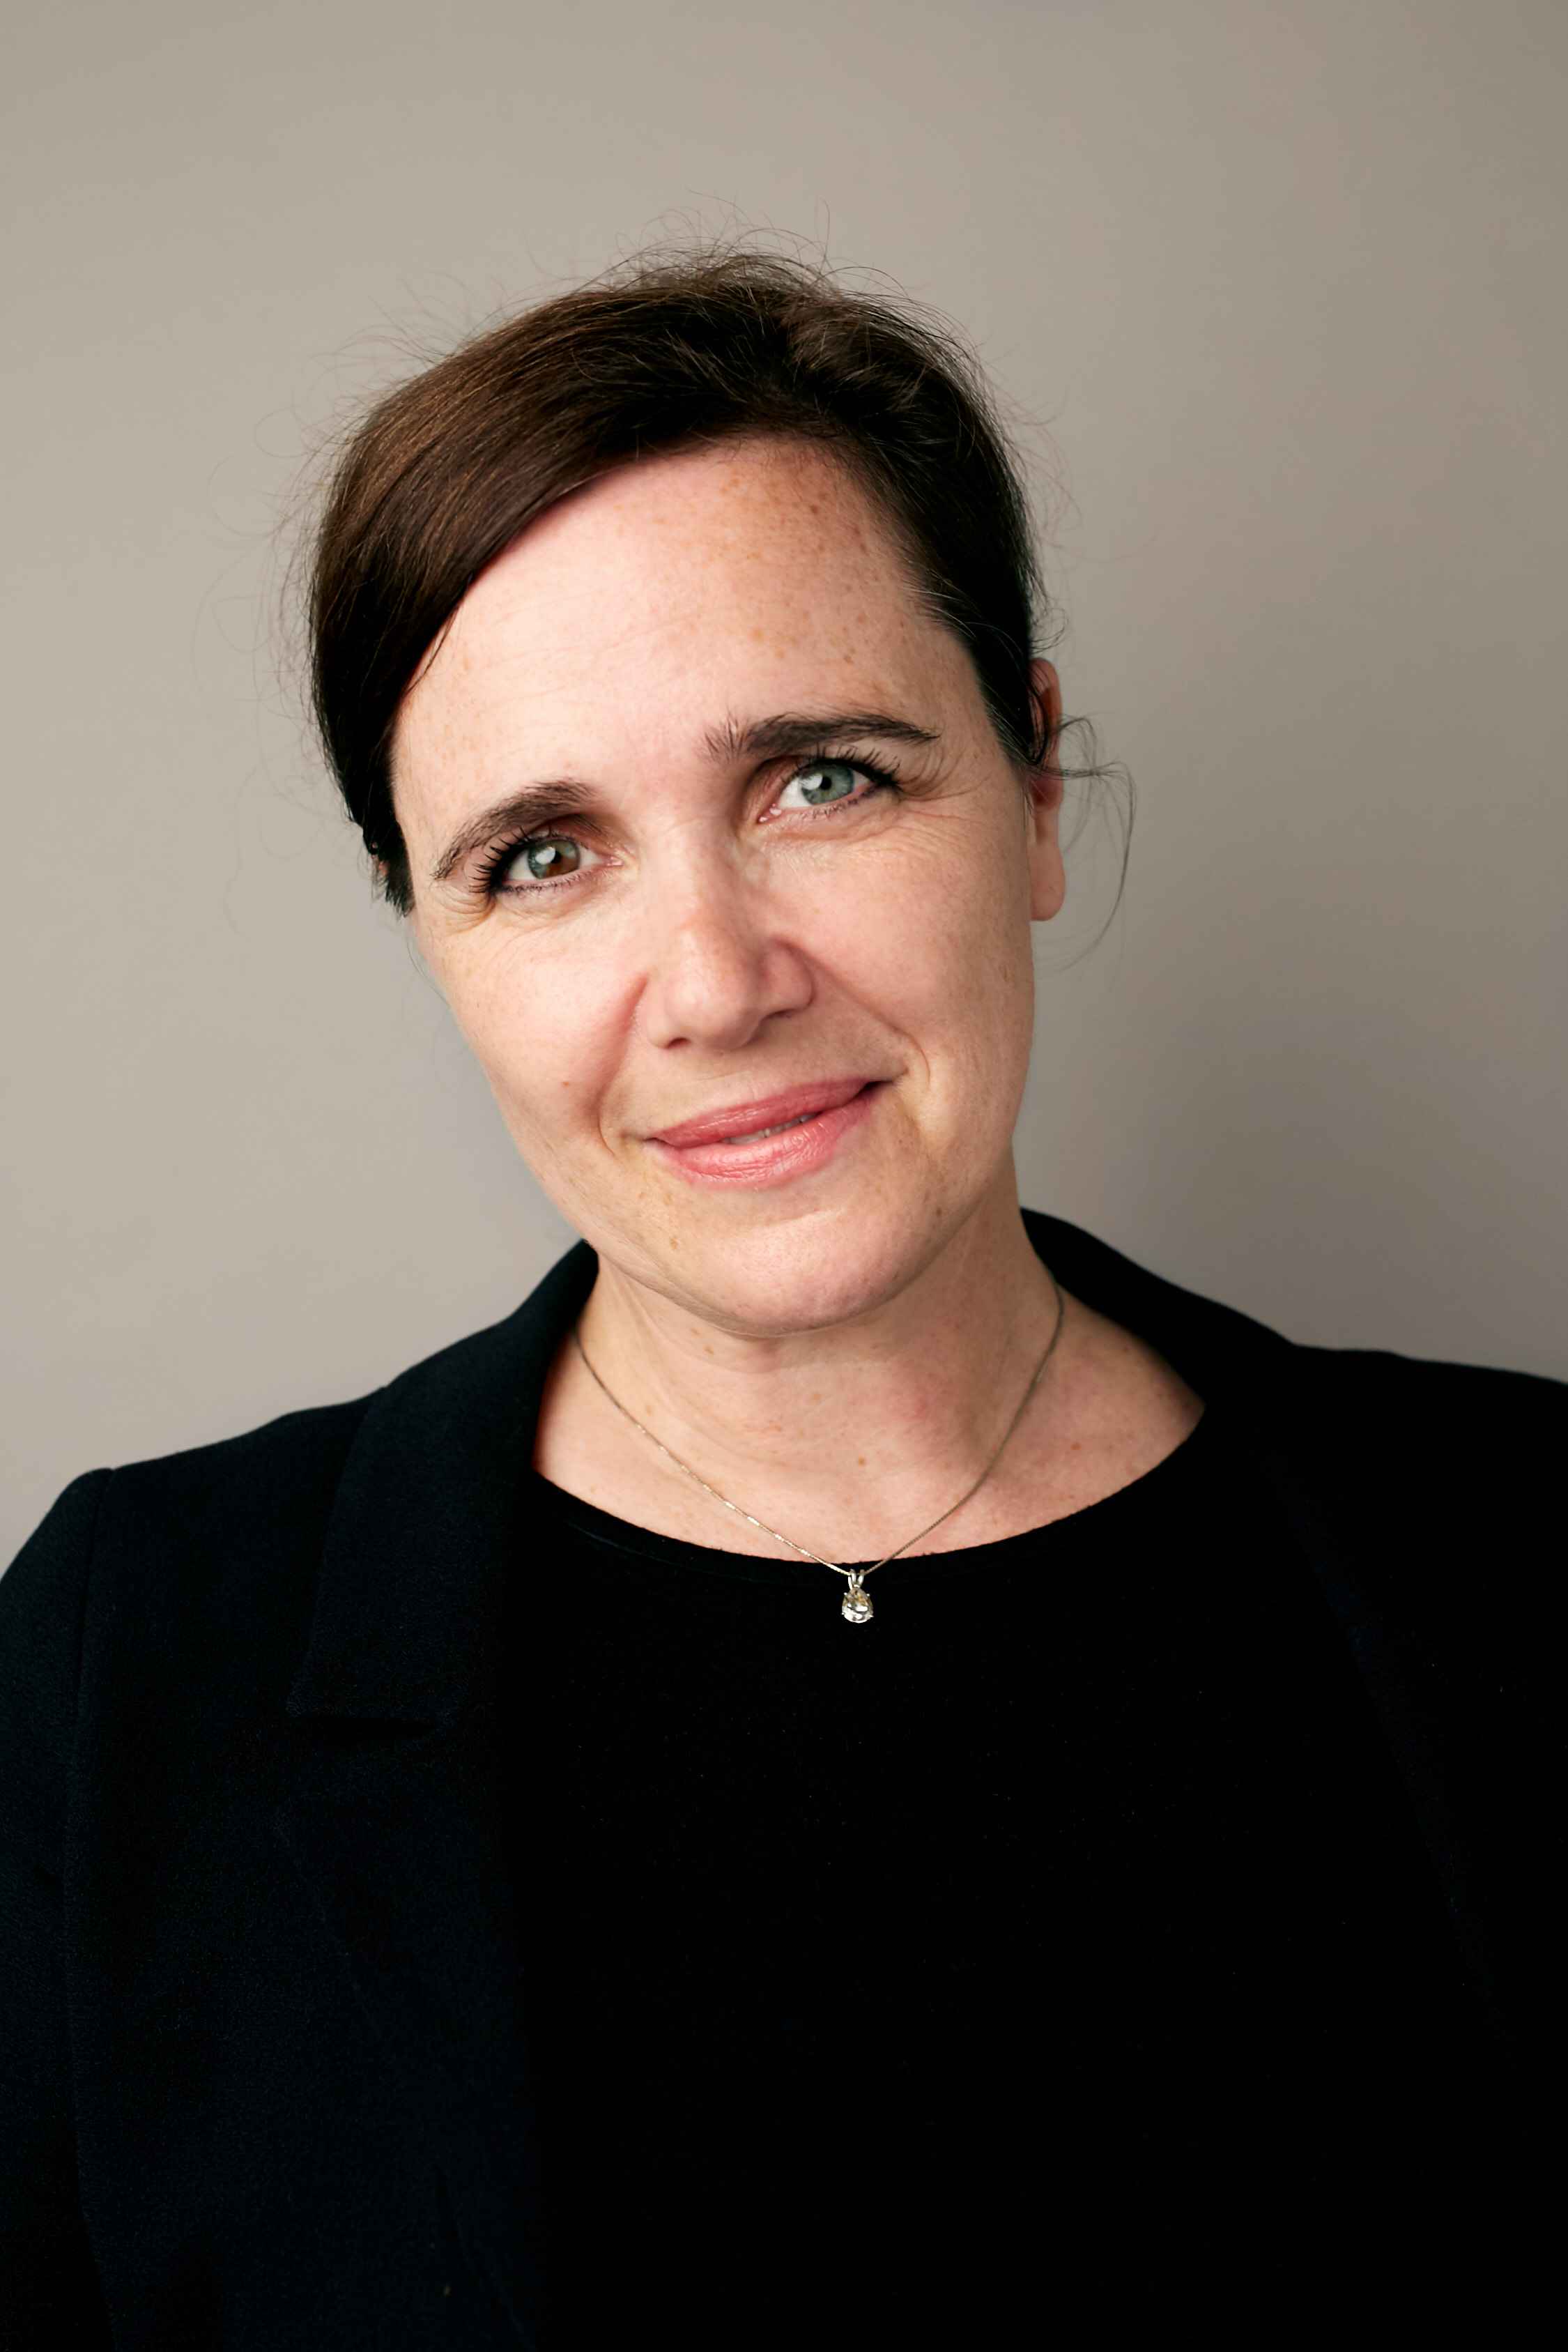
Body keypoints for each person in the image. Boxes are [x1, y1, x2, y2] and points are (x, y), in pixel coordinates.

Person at [1, 242, 1555, 2349]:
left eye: (821, 777)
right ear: (426, 925)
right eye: (541, 854)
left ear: (1024, 788)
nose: (718, 984)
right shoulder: (133, 1653)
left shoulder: (1536, 1552)